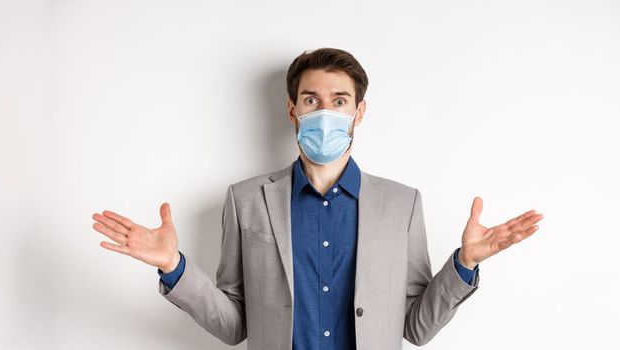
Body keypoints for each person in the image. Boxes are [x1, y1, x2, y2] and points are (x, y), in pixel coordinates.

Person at [90, 47, 544, 350]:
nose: (325, 112)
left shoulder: (402, 204)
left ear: (358, 112)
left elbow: (416, 327)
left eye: (339, 101)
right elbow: (233, 326)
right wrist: (174, 267)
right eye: (311, 100)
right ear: (292, 109)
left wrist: (463, 263)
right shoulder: (245, 200)